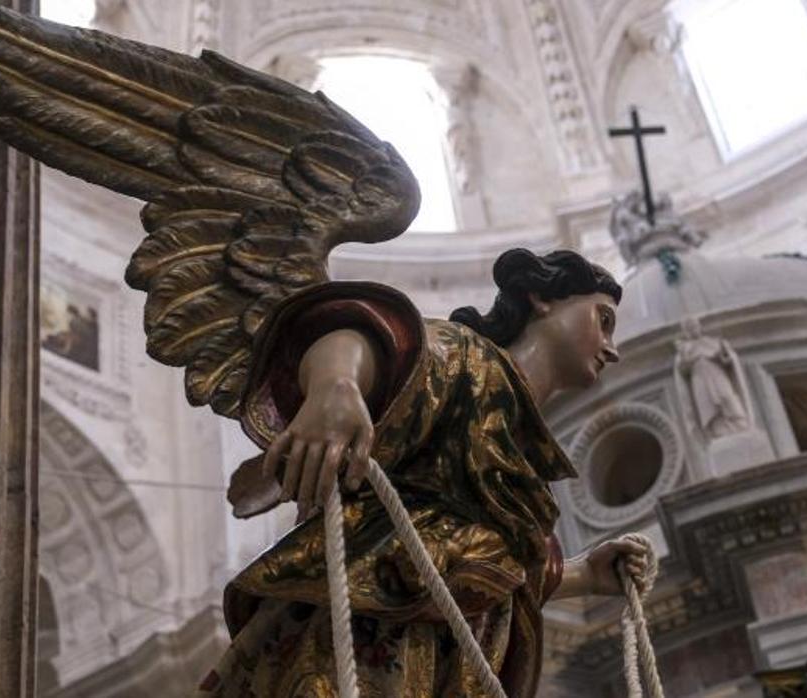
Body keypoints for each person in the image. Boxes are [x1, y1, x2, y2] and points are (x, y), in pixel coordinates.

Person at [207, 249, 653, 697]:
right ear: (541, 297)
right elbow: (367, 335)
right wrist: (336, 383)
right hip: (366, 637)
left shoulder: (525, 446)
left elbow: (486, 567)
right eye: (604, 320)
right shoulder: (470, 361)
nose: (612, 350)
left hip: (450, 664)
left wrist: (584, 576)